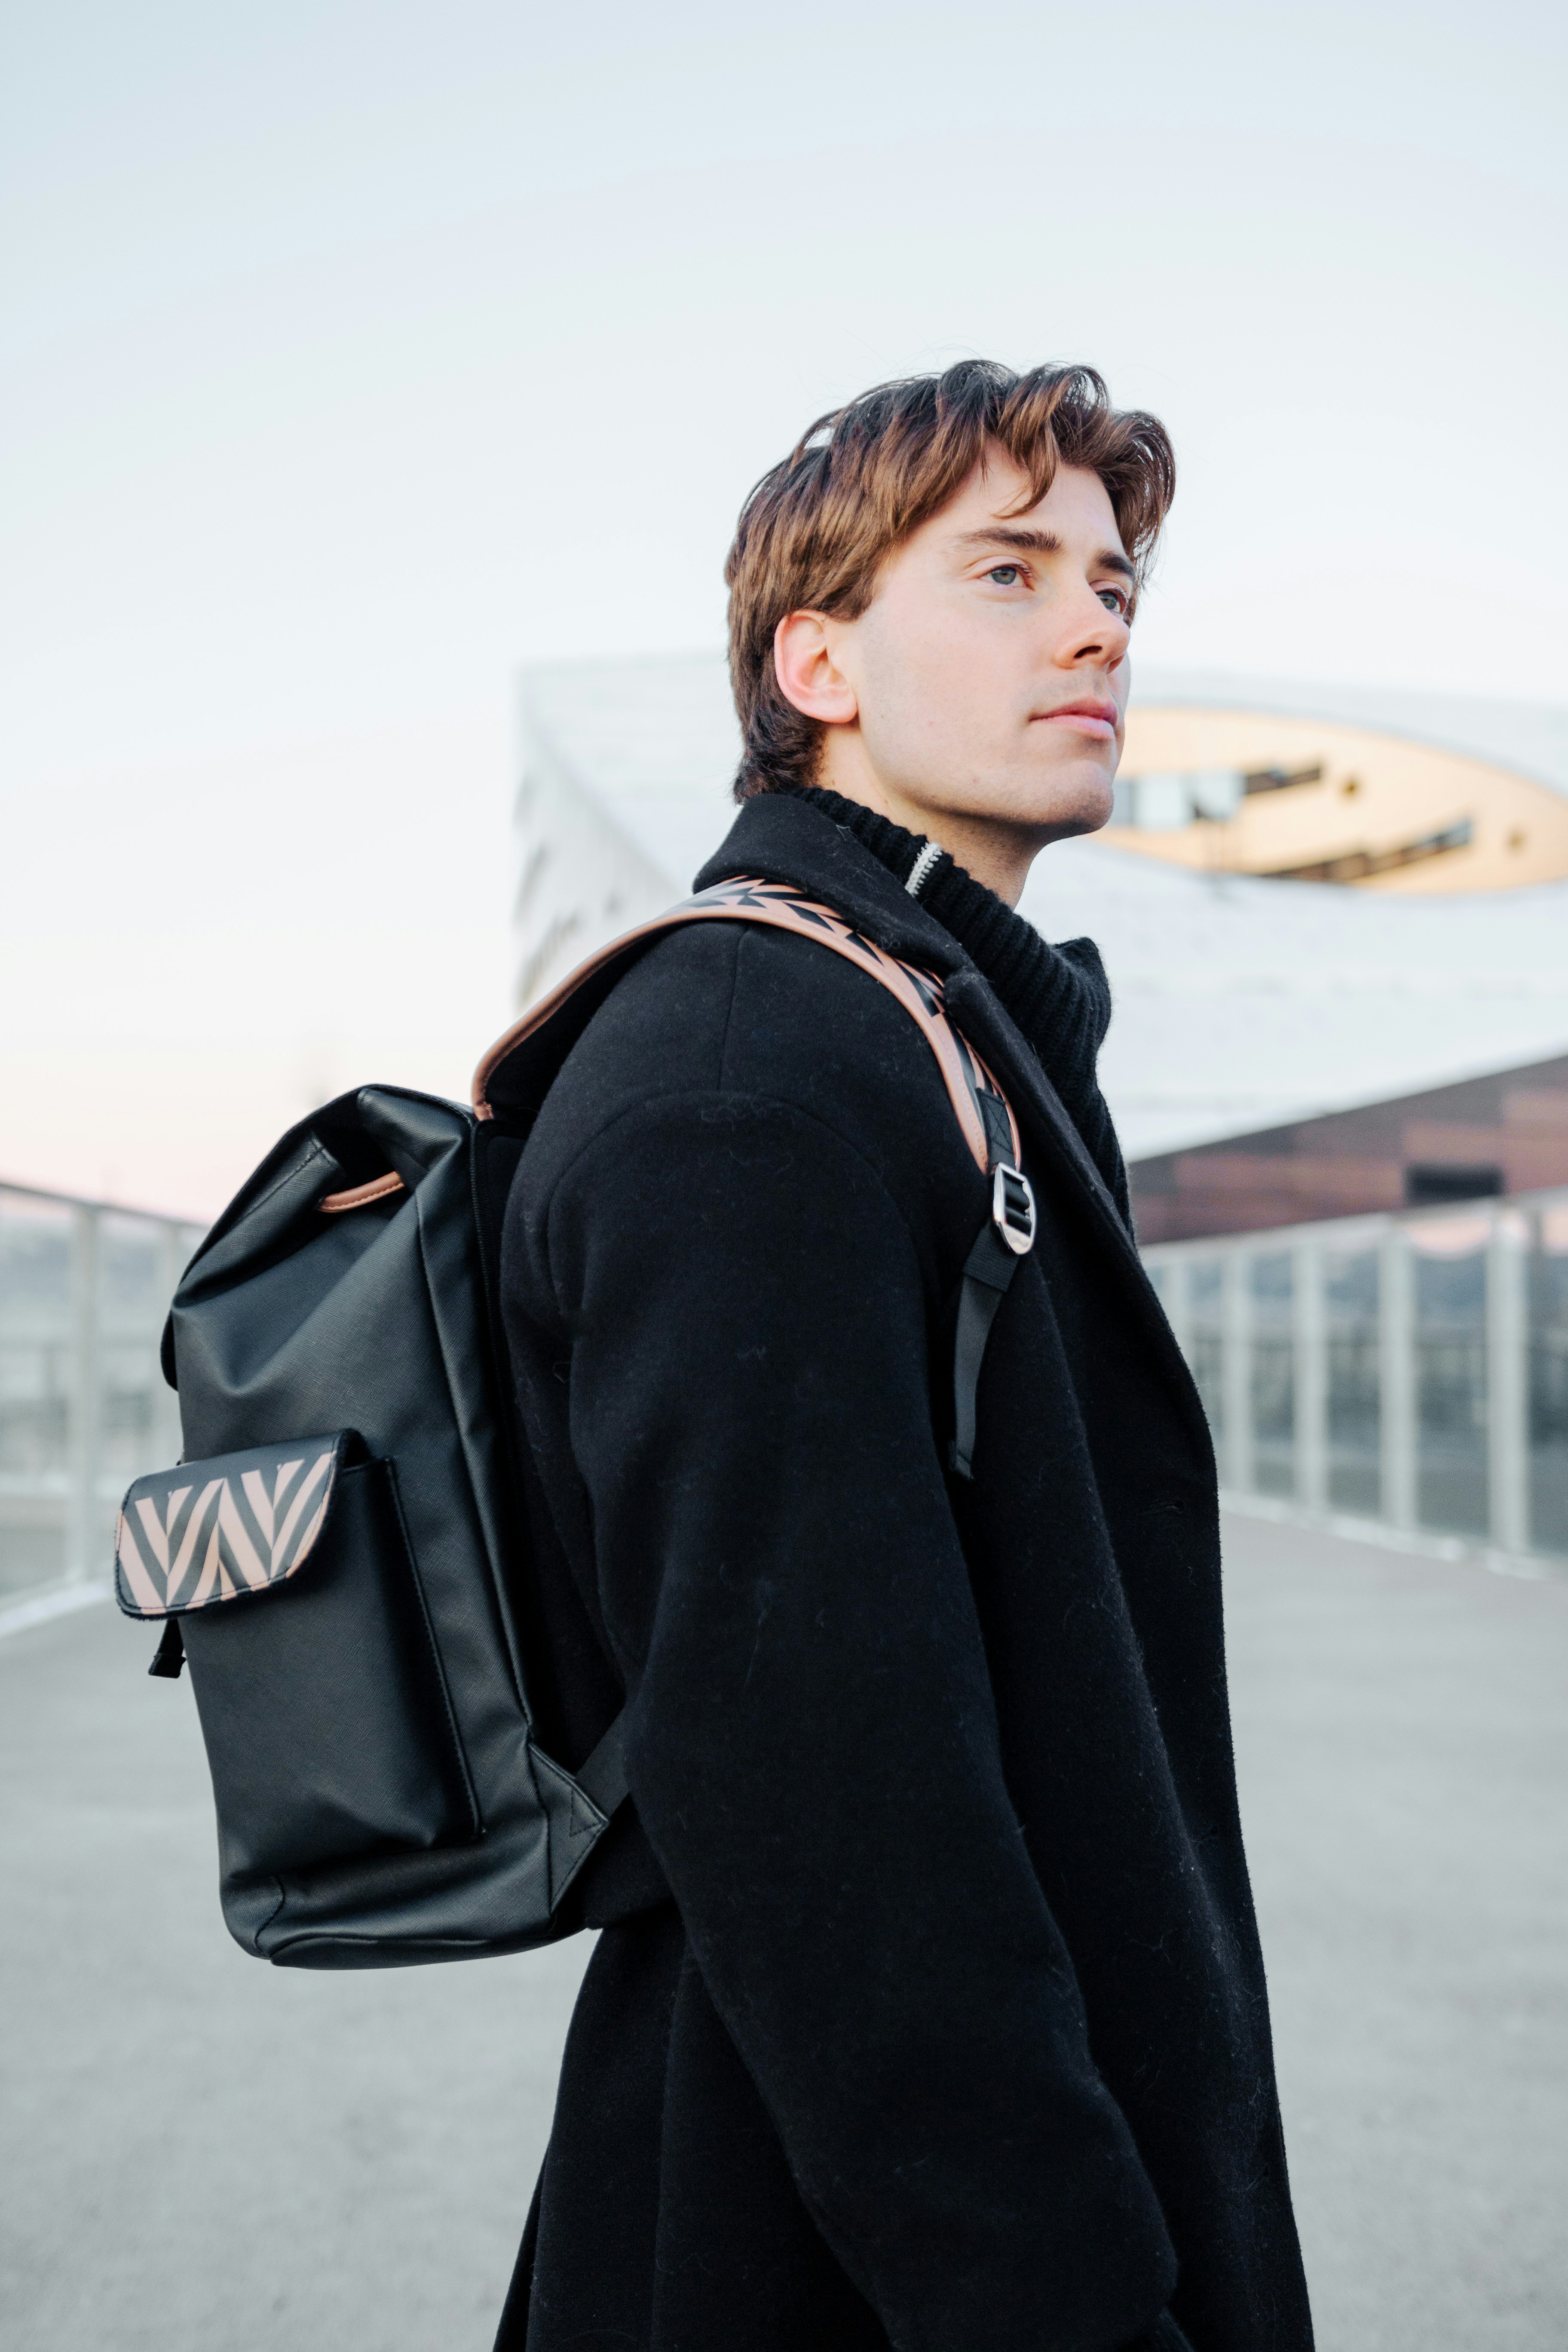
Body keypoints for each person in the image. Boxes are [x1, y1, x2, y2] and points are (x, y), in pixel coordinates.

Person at [493, 360, 1314, 2352]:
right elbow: (836, 1837)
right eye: (1011, 573)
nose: (1099, 619)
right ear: (821, 659)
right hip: (841, 2265)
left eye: (1115, 580)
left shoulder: (932, 1037)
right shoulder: (755, 1076)